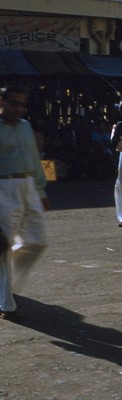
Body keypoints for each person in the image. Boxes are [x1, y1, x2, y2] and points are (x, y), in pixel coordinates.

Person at [0, 86, 50, 320]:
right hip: (3, 188)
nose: (19, 108)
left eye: (22, 104)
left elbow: (34, 158)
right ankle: (6, 303)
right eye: (14, 103)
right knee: (2, 246)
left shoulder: (26, 126)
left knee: (37, 242)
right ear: (3, 102)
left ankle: (7, 285)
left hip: (28, 185)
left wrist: (40, 190)